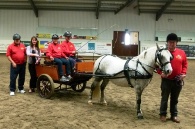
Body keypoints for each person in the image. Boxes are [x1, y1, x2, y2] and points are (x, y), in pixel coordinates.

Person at [159, 33, 188, 123]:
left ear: (176, 43)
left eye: (173, 42)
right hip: (166, 80)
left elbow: (185, 64)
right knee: (164, 98)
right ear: (167, 43)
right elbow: (157, 66)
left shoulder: (181, 53)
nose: (171, 44)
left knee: (175, 99)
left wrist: (183, 74)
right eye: (170, 42)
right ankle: (163, 114)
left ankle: (174, 115)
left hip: (177, 80)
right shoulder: (163, 53)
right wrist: (161, 73)